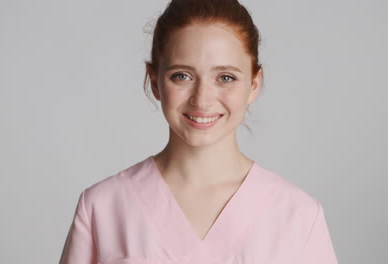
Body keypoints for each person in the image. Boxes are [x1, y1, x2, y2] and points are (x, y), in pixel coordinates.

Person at [59, 0, 339, 263]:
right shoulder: (102, 208)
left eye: (225, 77)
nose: (202, 99)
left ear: (254, 84)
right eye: (182, 75)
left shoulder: (299, 215)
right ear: (154, 82)